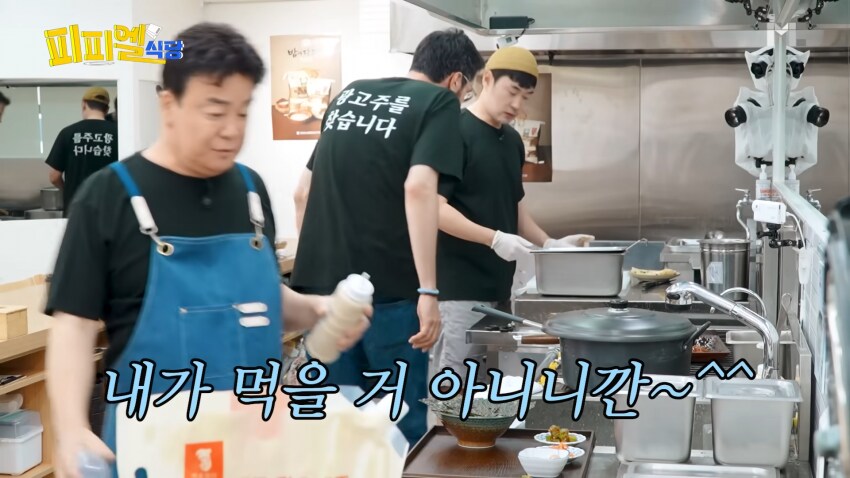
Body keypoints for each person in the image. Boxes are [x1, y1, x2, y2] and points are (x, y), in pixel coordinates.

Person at [44, 22, 371, 478]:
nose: (231, 130)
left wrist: (319, 309)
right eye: (215, 111)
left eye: (242, 112)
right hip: (153, 447)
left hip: (252, 443)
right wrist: (70, 428)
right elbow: (74, 326)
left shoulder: (250, 191)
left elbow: (260, 297)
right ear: (169, 104)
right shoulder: (108, 197)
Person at [291, 28, 484, 446]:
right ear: (456, 80)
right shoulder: (438, 104)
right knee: (397, 424)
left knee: (333, 423)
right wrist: (428, 290)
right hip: (391, 296)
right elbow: (419, 189)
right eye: (468, 92)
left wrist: (320, 272)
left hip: (325, 298)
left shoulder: (350, 94)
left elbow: (302, 193)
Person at [433, 47, 595, 377]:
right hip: (457, 292)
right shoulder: (453, 133)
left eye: (526, 96)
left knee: (485, 386)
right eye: (512, 91)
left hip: (500, 289)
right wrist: (493, 238)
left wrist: (548, 244)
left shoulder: (511, 140)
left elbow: (513, 204)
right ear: (486, 79)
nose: (517, 104)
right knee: (454, 388)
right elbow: (435, 209)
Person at [45, 86, 119, 217]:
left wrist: (68, 191)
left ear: (83, 104)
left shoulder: (67, 133)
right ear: (107, 109)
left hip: (76, 210)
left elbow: (54, 177)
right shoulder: (118, 133)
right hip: (108, 210)